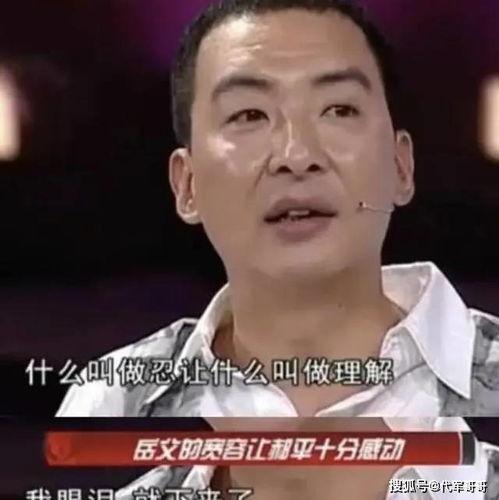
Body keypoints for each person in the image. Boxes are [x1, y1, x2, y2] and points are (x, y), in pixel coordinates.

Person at [57, 0, 499, 419]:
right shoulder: (111, 402)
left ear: (401, 167)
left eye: (339, 109)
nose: (297, 155)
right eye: (249, 115)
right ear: (187, 185)